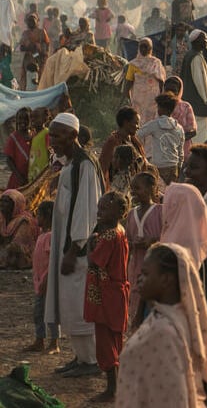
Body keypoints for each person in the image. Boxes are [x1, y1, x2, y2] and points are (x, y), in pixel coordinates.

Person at [115, 243, 207, 407]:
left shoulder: (164, 332)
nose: (138, 278)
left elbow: (172, 396)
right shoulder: (171, 318)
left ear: (166, 279)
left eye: (145, 273)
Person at [46, 112, 103, 378]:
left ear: (73, 136)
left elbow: (87, 210)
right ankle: (80, 357)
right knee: (69, 303)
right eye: (51, 135)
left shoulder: (85, 165)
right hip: (66, 245)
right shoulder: (71, 163)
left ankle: (91, 360)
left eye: (57, 135)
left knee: (79, 303)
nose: (52, 141)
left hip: (77, 250)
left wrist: (73, 249)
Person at [85, 191, 130, 402]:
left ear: (120, 211)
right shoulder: (119, 231)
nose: (99, 212)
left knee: (105, 342)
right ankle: (117, 386)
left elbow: (95, 261)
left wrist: (90, 243)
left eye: (104, 209)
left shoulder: (110, 235)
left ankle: (112, 389)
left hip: (106, 294)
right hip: (116, 292)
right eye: (99, 208)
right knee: (115, 339)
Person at [125, 172, 161, 321]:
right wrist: (132, 244)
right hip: (135, 268)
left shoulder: (160, 211)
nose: (134, 192)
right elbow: (127, 241)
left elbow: (169, 236)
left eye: (137, 188)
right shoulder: (131, 214)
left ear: (151, 189)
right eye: (132, 189)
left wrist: (153, 240)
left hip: (156, 268)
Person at [25, 202, 60, 353]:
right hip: (39, 281)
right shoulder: (42, 235)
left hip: (47, 281)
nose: (36, 218)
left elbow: (53, 260)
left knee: (51, 312)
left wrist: (47, 278)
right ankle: (39, 340)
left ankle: (54, 342)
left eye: (39, 215)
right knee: (38, 312)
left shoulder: (51, 236)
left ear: (47, 217)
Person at [137, 94, 185, 184]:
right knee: (170, 194)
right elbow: (180, 152)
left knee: (157, 192)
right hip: (173, 167)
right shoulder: (179, 128)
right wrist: (179, 167)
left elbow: (138, 134)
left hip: (158, 166)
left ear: (160, 109)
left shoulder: (154, 124)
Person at [180, 30, 207, 141]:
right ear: (196, 41)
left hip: (190, 101)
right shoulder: (196, 57)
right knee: (199, 136)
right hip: (198, 104)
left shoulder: (189, 55)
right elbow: (201, 83)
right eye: (204, 39)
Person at [98, 106, 144, 187]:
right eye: (136, 123)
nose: (138, 127)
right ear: (126, 122)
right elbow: (103, 169)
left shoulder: (135, 142)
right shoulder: (112, 142)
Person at [125, 38, 166, 125]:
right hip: (138, 100)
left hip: (153, 100)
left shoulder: (156, 63)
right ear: (138, 48)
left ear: (150, 48)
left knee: (152, 122)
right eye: (142, 47)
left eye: (146, 47)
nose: (144, 49)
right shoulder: (133, 64)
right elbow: (129, 82)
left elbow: (161, 81)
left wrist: (162, 97)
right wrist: (129, 99)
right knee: (138, 122)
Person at [0, 189, 37, 268]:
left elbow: (18, 244)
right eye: (1, 201)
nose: (2, 204)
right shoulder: (2, 219)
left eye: (6, 202)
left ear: (15, 204)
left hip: (18, 256)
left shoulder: (24, 220)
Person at [163, 76, 199, 159]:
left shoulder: (186, 106)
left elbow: (193, 131)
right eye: (167, 90)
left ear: (179, 91)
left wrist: (177, 140)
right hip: (164, 149)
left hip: (183, 149)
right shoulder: (160, 107)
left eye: (173, 91)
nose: (170, 94)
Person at [3, 107, 34, 190]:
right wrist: (19, 177)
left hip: (34, 177)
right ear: (16, 120)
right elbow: (9, 160)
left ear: (31, 120)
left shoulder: (34, 136)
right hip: (18, 179)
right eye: (20, 118)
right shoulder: (13, 138)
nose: (22, 121)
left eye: (26, 118)